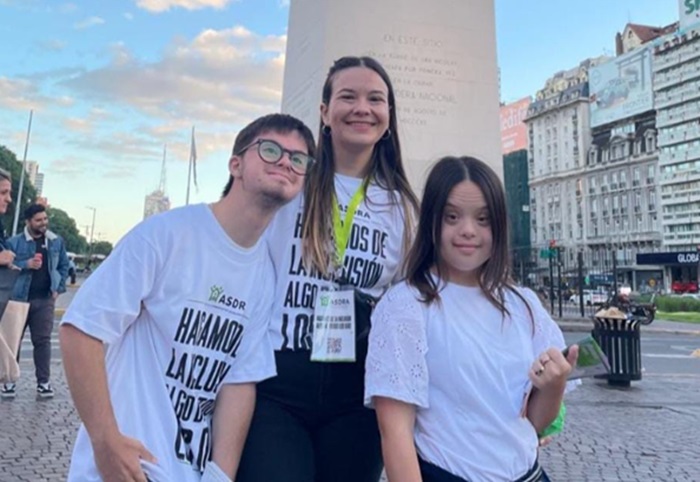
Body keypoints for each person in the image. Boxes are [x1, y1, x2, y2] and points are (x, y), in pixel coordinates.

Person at [58, 114, 315, 482]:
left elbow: (239, 381)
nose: (286, 162)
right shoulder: (166, 234)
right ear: (236, 164)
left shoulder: (264, 274)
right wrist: (106, 440)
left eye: (298, 158)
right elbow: (81, 329)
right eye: (271, 150)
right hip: (127, 468)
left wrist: (220, 475)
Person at [236, 56, 419, 482]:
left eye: (375, 99)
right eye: (348, 97)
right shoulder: (289, 180)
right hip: (276, 381)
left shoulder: (403, 208)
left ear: (388, 116)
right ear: (324, 112)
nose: (362, 108)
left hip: (357, 392)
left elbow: (413, 307)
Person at [364, 156, 579, 482]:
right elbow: (395, 433)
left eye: (483, 219)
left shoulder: (524, 305)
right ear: (432, 222)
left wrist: (554, 385)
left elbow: (535, 423)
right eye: (452, 217)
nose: (468, 230)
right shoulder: (405, 306)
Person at [2, 203, 69, 399]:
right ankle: (8, 381)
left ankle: (43, 382)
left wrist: (58, 288)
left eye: (45, 219)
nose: (43, 223)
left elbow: (64, 266)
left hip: (44, 299)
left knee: (43, 342)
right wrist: (26, 264)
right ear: (28, 222)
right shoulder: (14, 242)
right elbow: (6, 265)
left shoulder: (55, 242)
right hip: (18, 299)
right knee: (13, 340)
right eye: (38, 220)